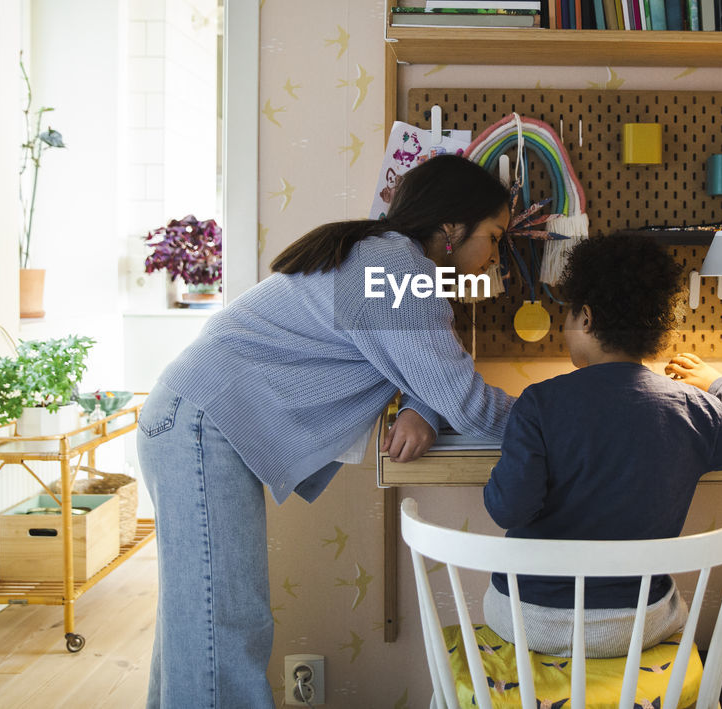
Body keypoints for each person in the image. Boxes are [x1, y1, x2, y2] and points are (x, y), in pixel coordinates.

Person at [137, 155, 515, 707]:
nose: (495, 256)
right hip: (201, 424)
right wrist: (563, 420)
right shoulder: (391, 270)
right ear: (453, 230)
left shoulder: (384, 259)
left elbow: (425, 372)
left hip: (195, 419)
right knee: (222, 624)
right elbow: (464, 397)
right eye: (495, 237)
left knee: (200, 624)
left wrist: (422, 410)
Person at [482, 233, 722, 657]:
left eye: (569, 317)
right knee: (667, 603)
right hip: (632, 626)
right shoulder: (692, 407)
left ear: (587, 318)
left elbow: (509, 509)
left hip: (527, 619)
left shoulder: (539, 403)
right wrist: (717, 382)